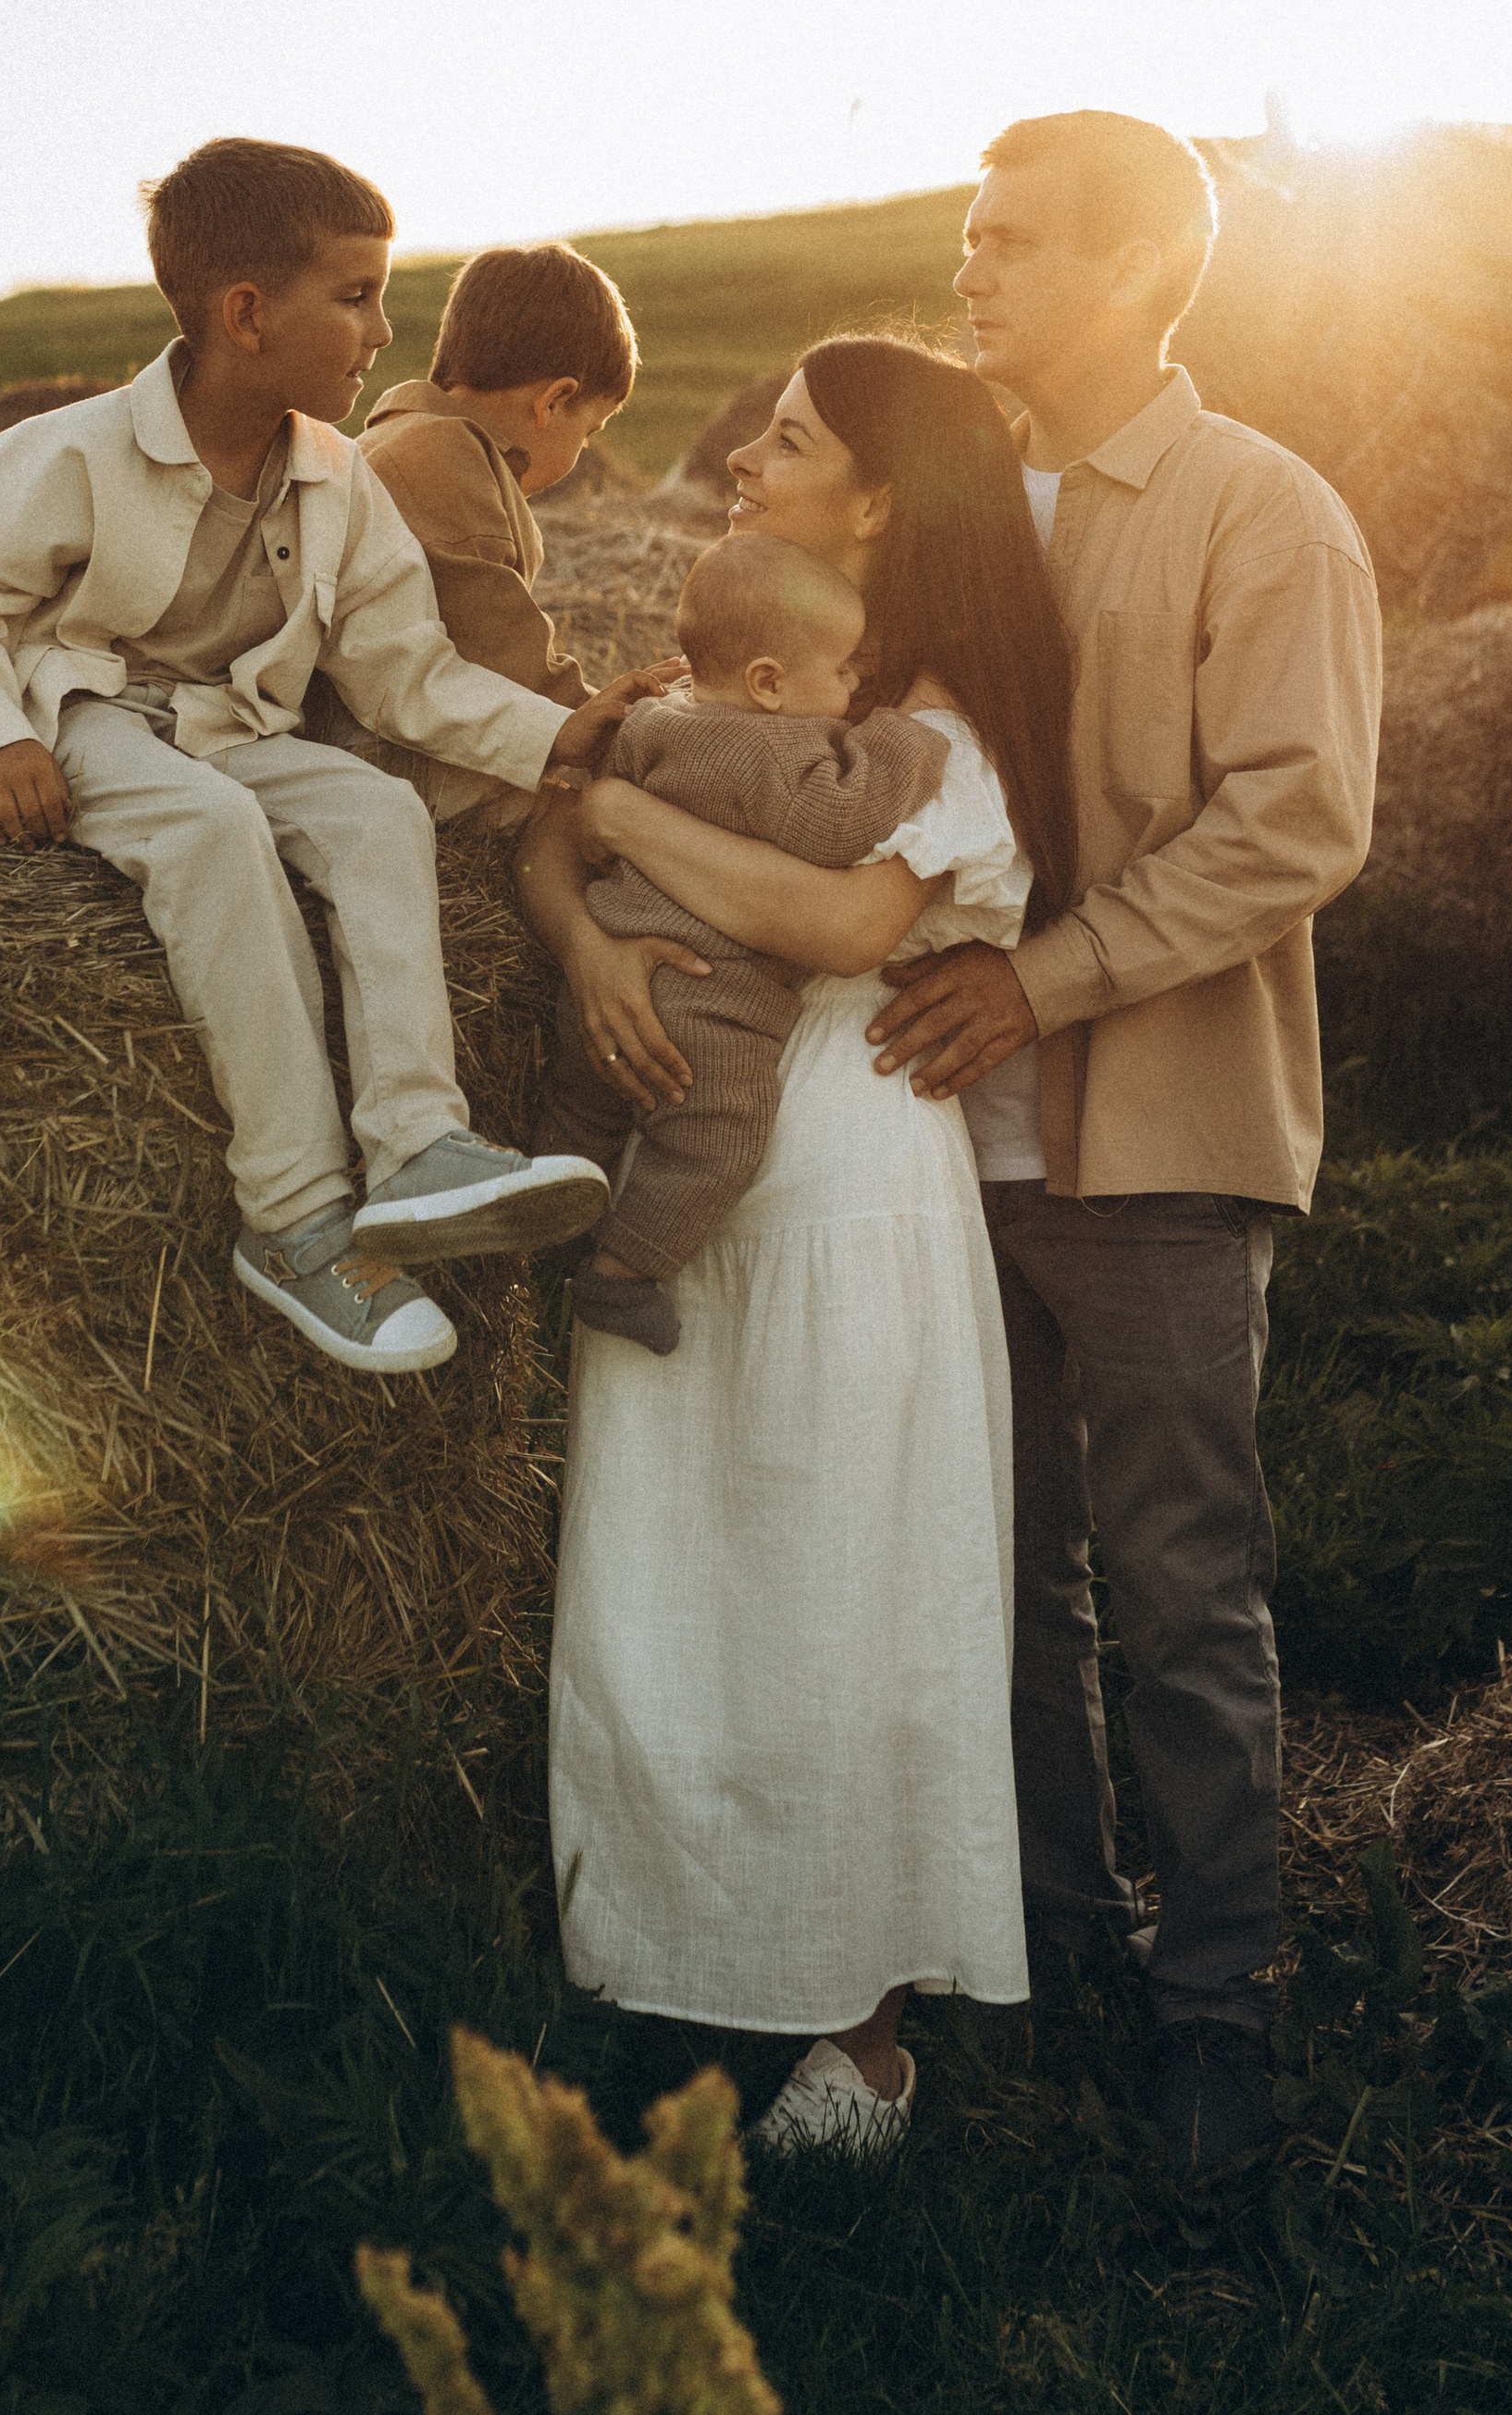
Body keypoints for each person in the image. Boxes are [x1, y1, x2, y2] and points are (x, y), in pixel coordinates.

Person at [866, 112, 1382, 2172]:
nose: (970, 270)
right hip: (932, 1144)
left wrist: (1044, 982)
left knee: (1180, 1592)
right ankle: (1054, 1960)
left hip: (1160, 1137)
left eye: (1011, 241)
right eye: (969, 235)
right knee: (997, 1587)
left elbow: (1295, 819)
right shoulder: (937, 504)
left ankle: (1216, 2016)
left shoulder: (1263, 511)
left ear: (1140, 268)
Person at [517, 337, 1079, 2157]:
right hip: (684, 1167)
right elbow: (542, 839)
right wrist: (593, 946)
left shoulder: (934, 730)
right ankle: (674, 1963)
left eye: (785, 440)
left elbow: (839, 925)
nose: (743, 462)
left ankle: (861, 2042)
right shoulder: (723, 678)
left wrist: (621, 812)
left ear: (882, 498)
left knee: (842, 1579)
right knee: (671, 1577)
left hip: (845, 1169)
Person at [0, 135, 646, 1385]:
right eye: (356, 297)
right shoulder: (69, 452)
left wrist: (550, 734)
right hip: (77, 716)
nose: (384, 334)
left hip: (225, 726)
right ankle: (292, 1217)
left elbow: (403, 671)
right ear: (246, 314)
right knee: (212, 832)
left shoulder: (337, 478)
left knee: (375, 813)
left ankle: (417, 1145)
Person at [537, 535, 948, 1356]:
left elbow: (585, 814)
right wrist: (904, 736)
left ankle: (543, 1222)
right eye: (843, 670)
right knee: (719, 1136)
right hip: (701, 1003)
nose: (854, 684)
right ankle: (623, 1270)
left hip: (604, 971)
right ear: (768, 684)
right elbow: (841, 821)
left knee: (580, 1106)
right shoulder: (780, 753)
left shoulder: (655, 719)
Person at [305, 241, 650, 821]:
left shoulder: (399, 435)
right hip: (365, 748)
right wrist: (631, 727)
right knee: (586, 804)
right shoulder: (445, 455)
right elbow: (505, 666)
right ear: (554, 401)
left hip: (384, 721)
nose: (583, 451)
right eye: (588, 432)